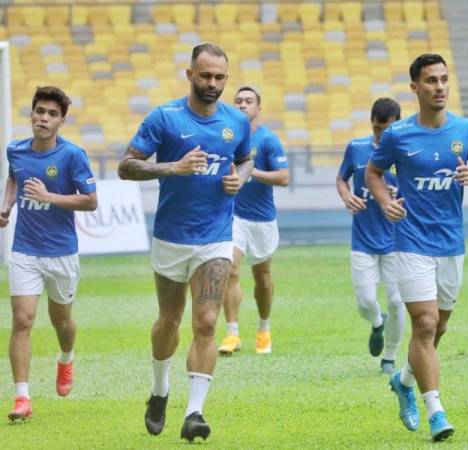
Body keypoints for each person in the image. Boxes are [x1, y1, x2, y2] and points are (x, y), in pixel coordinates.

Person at [118, 43, 253, 442]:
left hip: (215, 237)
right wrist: (171, 167)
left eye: (219, 77)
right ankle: (160, 390)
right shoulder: (165, 117)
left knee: (207, 321)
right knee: (170, 320)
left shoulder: (236, 121)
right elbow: (126, 165)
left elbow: (245, 159)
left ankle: (194, 412)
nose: (212, 84)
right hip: (171, 238)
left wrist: (240, 178)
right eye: (205, 75)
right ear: (190, 74)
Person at [366, 54, 468, 442]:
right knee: (424, 324)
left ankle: (404, 381)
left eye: (443, 79)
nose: (439, 87)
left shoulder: (467, 130)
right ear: (415, 88)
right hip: (411, 241)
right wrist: (386, 201)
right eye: (431, 81)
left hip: (451, 243)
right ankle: (436, 411)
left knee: (439, 328)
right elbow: (374, 172)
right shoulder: (398, 135)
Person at [0, 86, 98, 421]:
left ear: (61, 121)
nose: (43, 118)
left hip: (61, 253)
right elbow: (14, 178)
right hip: (25, 250)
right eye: (39, 111)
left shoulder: (73, 156)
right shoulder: (15, 150)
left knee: (62, 322)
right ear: (32, 114)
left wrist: (50, 196)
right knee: (22, 319)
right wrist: (7, 206)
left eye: (51, 114)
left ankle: (66, 358)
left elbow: (90, 201)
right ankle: (21, 398)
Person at [336, 98, 405, 375]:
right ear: (371, 123)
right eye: (377, 128)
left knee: (398, 300)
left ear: (398, 126)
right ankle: (378, 322)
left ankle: (389, 356)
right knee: (365, 302)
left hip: (398, 241)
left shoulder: (407, 152)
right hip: (363, 240)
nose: (381, 135)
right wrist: (346, 196)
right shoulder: (357, 148)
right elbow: (342, 178)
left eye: (387, 130)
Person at [218, 86, 289, 356]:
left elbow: (283, 177)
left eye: (248, 101)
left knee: (262, 277)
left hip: (262, 220)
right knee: (230, 270)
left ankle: (263, 328)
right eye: (238, 101)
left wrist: (250, 171)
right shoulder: (225, 138)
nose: (242, 105)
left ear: (258, 108)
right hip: (233, 216)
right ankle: (232, 333)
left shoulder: (268, 140)